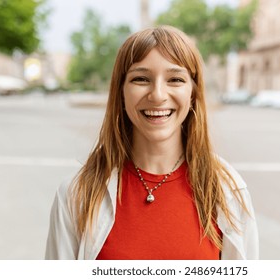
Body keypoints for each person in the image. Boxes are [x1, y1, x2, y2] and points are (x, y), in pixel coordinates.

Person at [45, 25, 258, 260]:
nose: (157, 95)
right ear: (120, 92)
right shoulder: (76, 195)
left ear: (193, 93)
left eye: (175, 79)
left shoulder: (229, 191)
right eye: (141, 79)